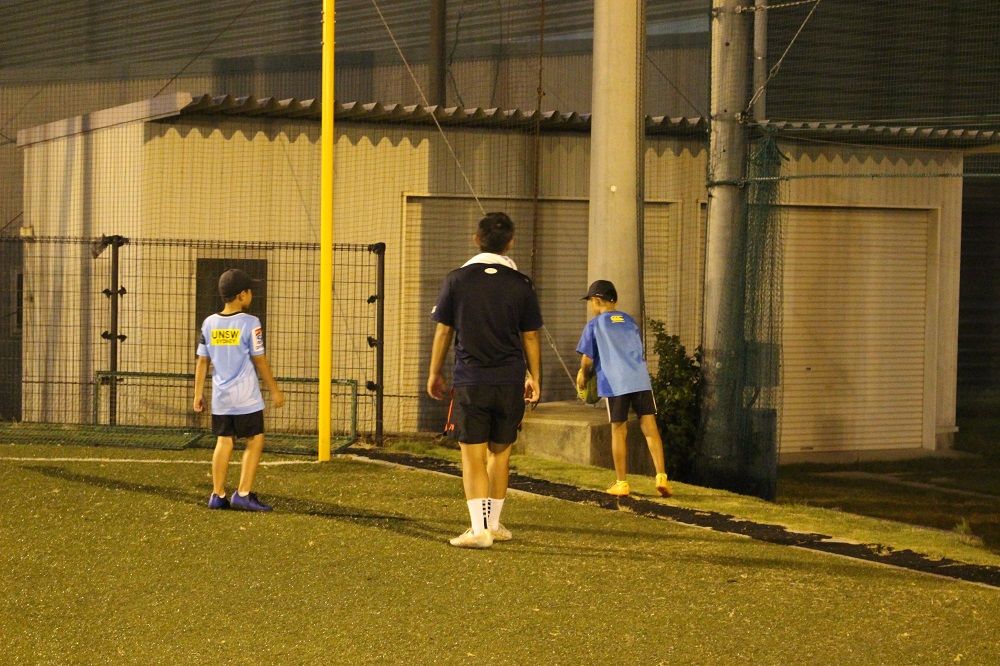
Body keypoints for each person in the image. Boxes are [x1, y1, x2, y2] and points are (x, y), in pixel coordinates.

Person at [427, 212, 543, 549]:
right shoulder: (521, 283)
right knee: (500, 455)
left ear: (477, 239)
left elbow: (444, 330)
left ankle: (479, 530)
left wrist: (434, 372)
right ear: (511, 242)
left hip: (471, 380)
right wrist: (534, 376)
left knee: (472, 456)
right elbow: (531, 336)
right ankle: (494, 525)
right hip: (509, 380)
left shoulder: (457, 280)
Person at [193, 268, 284, 511]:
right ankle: (243, 493)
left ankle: (217, 494)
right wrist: (274, 390)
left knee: (224, 441)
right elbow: (259, 360)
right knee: (255, 439)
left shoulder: (209, 323)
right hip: (246, 398)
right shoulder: (251, 323)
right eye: (250, 291)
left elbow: (202, 361)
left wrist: (198, 393)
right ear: (242, 295)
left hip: (221, 398)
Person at [576, 279, 672, 498]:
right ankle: (661, 477)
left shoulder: (595, 325)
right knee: (650, 427)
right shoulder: (629, 321)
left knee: (619, 430)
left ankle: (622, 483)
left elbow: (587, 360)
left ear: (596, 300)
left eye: (590, 301)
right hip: (640, 379)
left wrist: (584, 375)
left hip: (615, 381)